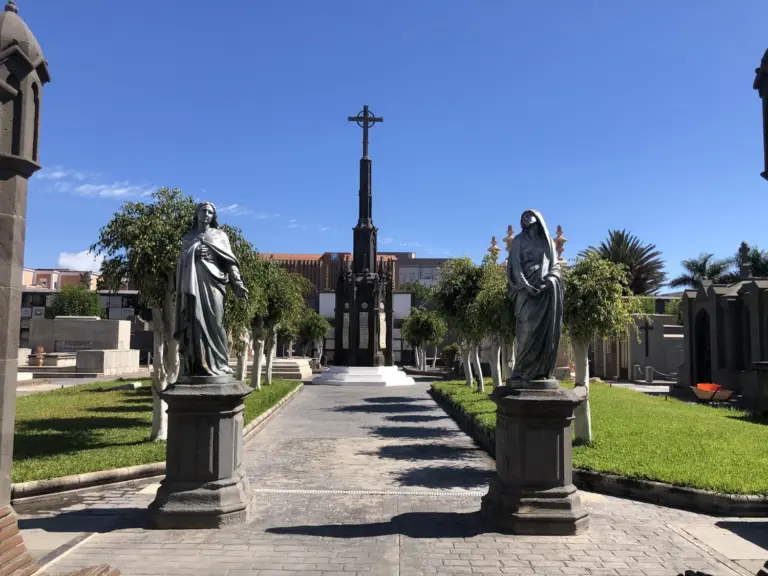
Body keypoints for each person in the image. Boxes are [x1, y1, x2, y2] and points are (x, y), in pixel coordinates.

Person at [174, 202, 248, 378]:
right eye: (203, 211)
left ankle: (221, 364)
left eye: (210, 212)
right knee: (195, 322)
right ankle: (197, 365)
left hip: (215, 283)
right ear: (197, 213)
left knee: (216, 322)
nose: (206, 214)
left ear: (213, 216)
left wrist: (237, 284)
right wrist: (193, 253)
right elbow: (181, 263)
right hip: (193, 285)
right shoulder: (188, 237)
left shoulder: (220, 236)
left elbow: (230, 262)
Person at [506, 209, 563, 384]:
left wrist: (550, 281)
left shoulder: (548, 243)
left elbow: (555, 267)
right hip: (525, 293)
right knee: (526, 332)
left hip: (544, 293)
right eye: (522, 218)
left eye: (528, 217)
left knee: (543, 333)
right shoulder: (519, 240)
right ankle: (522, 370)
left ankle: (541, 371)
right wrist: (526, 286)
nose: (524, 219)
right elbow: (515, 266)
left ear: (538, 221)